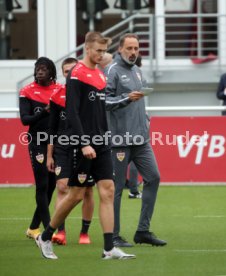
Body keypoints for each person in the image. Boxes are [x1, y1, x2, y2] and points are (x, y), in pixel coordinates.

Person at [36, 31, 135, 260]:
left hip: (101, 143)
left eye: (104, 51)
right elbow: (71, 112)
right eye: (98, 50)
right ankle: (46, 236)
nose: (101, 55)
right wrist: (83, 143)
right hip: (83, 144)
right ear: (87, 49)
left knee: (108, 190)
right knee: (76, 195)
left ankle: (108, 248)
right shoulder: (76, 74)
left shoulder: (100, 76)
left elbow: (99, 112)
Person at [104, 33, 167, 248]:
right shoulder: (111, 70)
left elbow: (139, 102)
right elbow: (104, 101)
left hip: (141, 139)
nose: (133, 52)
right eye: (129, 48)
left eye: (136, 48)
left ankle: (143, 231)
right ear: (120, 49)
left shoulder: (139, 72)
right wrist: (125, 99)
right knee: (117, 188)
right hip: (120, 139)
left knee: (154, 177)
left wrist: (145, 119)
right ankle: (112, 236)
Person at [47, 57, 94, 245]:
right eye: (66, 72)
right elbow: (51, 129)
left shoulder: (89, 93)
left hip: (86, 147)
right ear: (63, 74)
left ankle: (84, 233)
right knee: (62, 187)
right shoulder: (57, 96)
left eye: (72, 71)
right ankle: (61, 232)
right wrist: (49, 154)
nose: (70, 74)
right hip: (63, 148)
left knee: (88, 191)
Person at [19, 57, 62, 240]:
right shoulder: (27, 91)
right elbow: (24, 120)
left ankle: (33, 227)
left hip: (56, 142)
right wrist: (44, 112)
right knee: (42, 185)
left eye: (44, 69)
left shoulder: (59, 90)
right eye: (37, 69)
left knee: (52, 185)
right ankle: (47, 230)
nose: (40, 71)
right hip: (37, 141)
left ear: (51, 72)